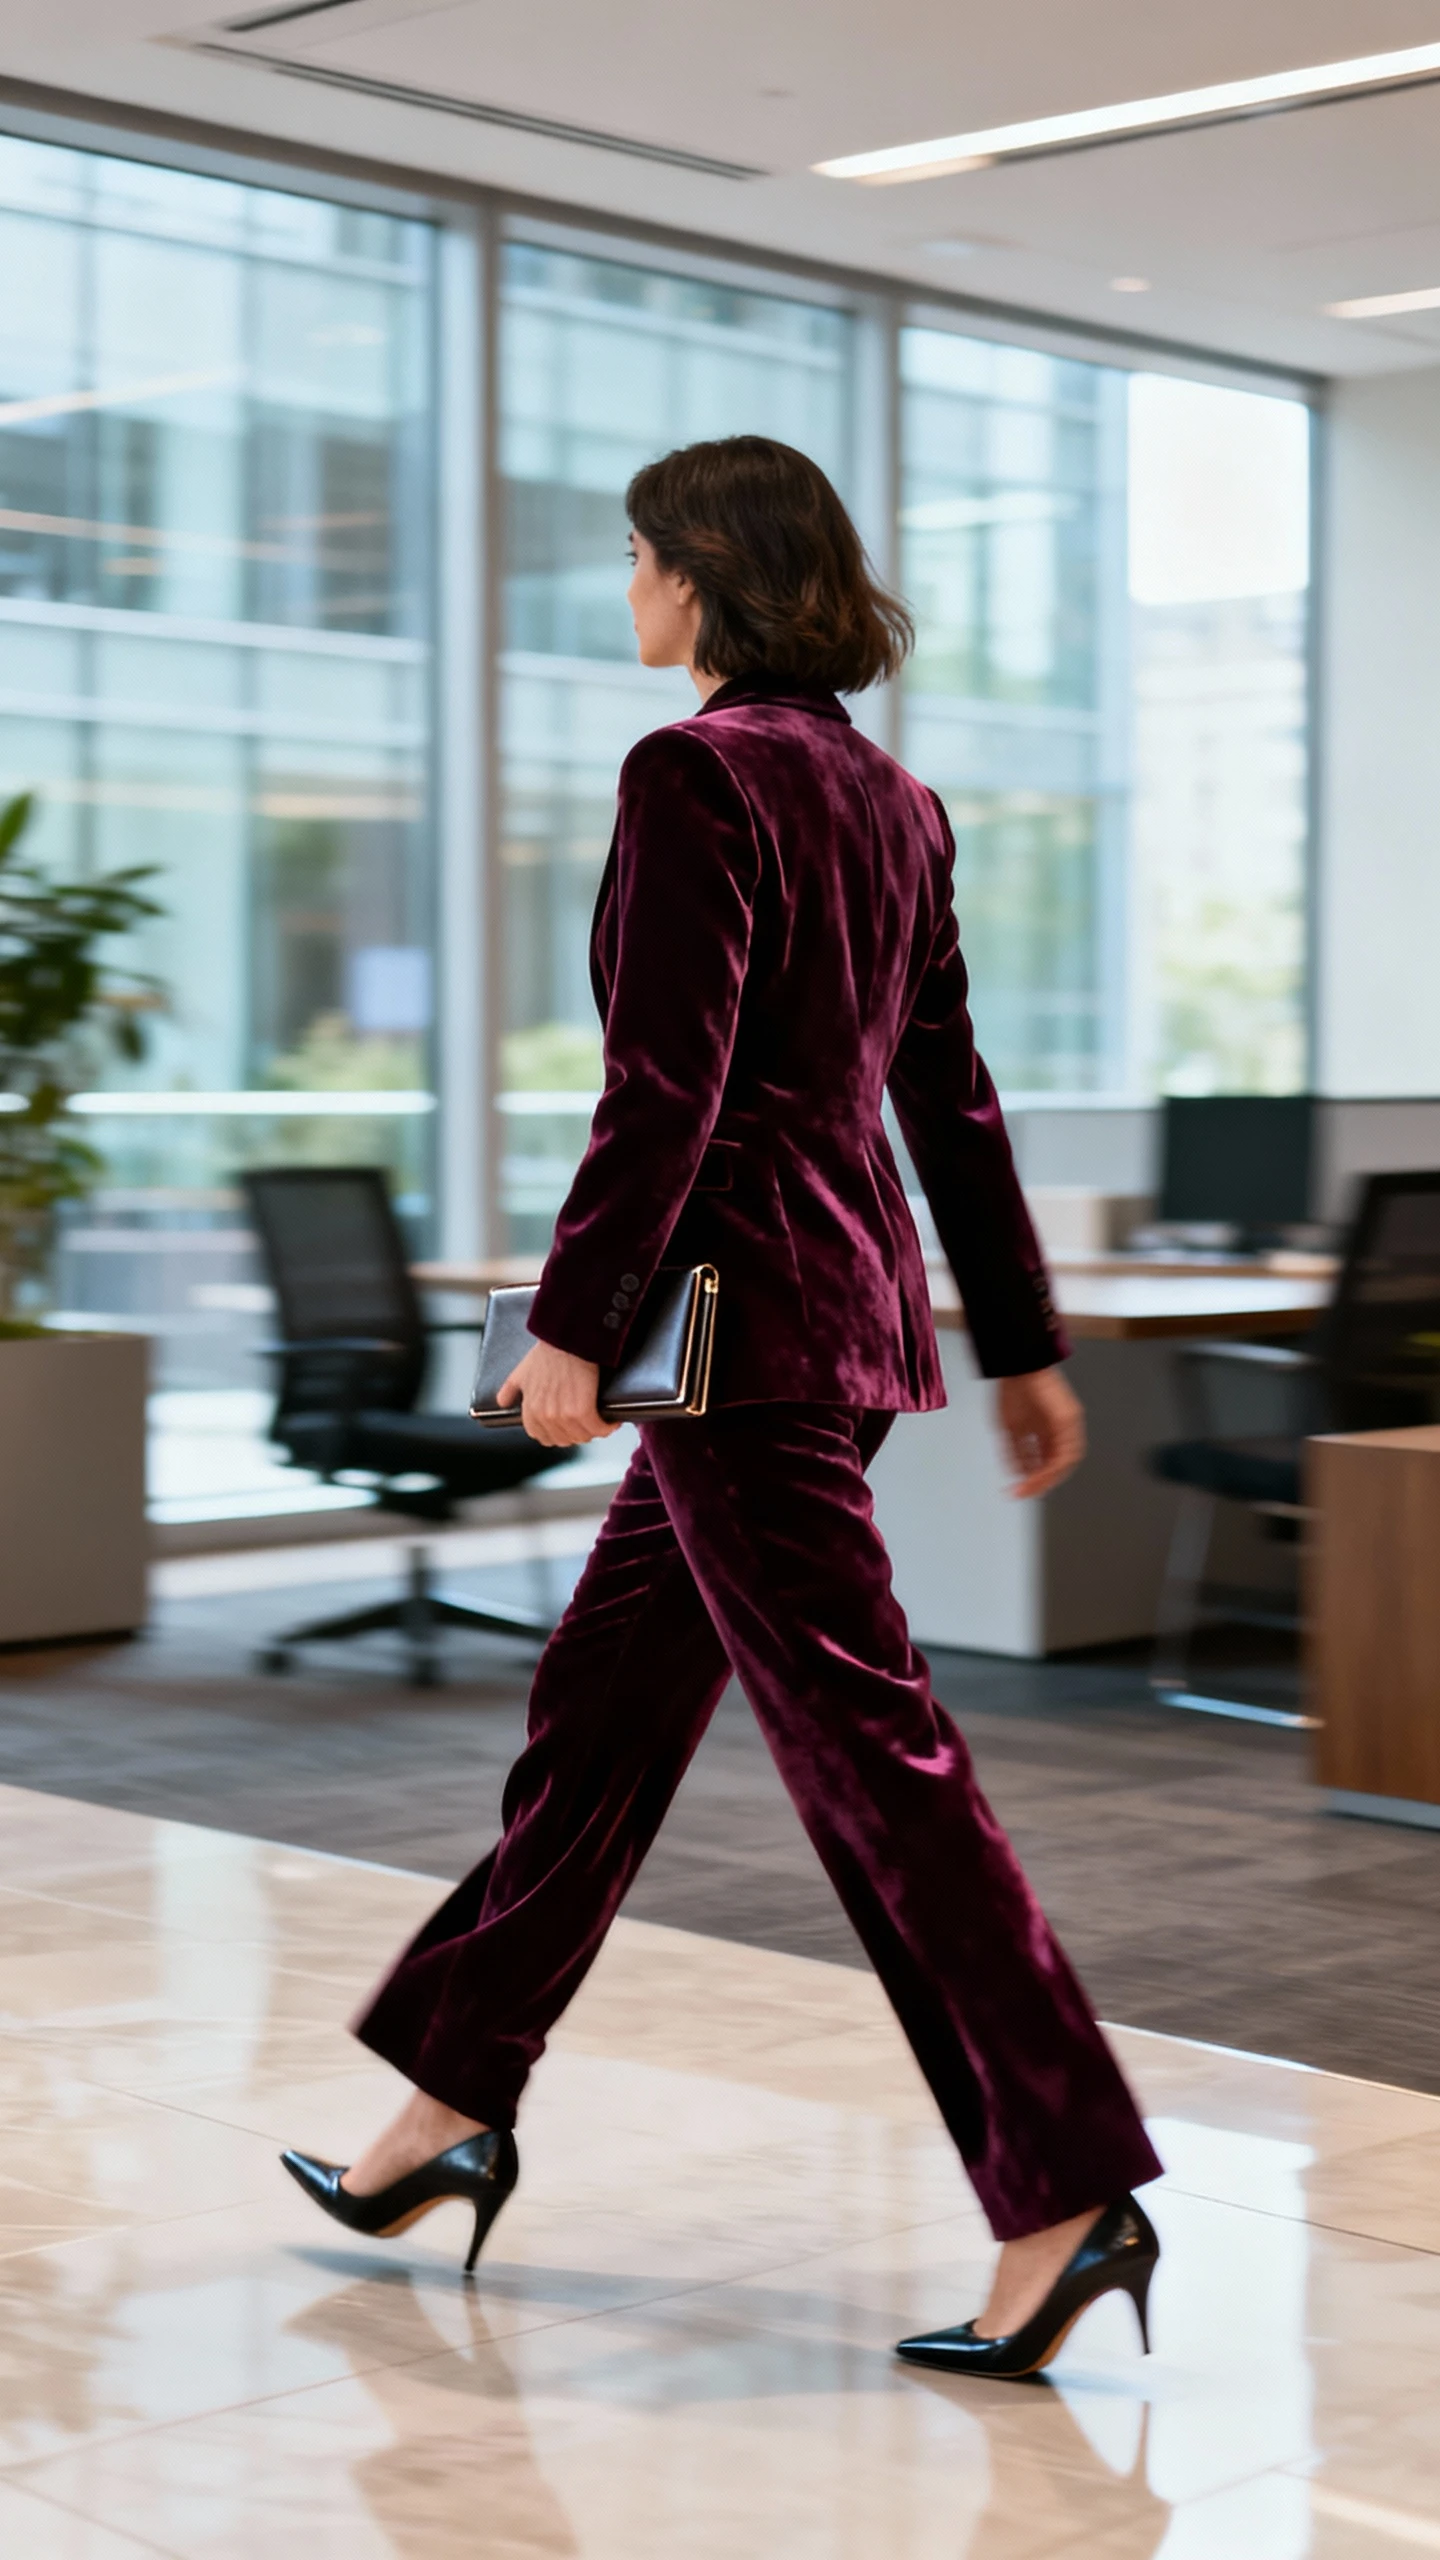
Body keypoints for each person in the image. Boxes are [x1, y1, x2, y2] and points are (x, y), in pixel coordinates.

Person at [282, 434, 1162, 2380]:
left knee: (876, 1763)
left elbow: (660, 1086)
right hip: (832, 1330)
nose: (627, 591)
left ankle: (1064, 2180)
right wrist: (1019, 1343)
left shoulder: (699, 770)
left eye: (640, 556)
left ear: (704, 572)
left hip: (736, 1346)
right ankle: (449, 2098)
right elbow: (955, 1098)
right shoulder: (892, 796)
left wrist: (577, 1327)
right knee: (599, 1707)